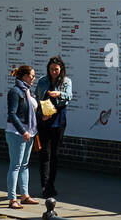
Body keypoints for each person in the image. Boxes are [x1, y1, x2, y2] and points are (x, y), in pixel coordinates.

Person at [35, 56, 72, 201]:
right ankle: (44, 186)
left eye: (56, 69)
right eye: (51, 69)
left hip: (59, 119)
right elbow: (37, 98)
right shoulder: (43, 80)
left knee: (55, 154)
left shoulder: (66, 81)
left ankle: (51, 185)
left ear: (61, 69)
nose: (53, 72)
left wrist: (59, 94)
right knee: (45, 153)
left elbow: (69, 96)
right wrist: (41, 114)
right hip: (44, 119)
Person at [6, 64, 39, 209]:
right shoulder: (15, 91)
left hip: (29, 132)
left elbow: (31, 111)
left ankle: (24, 195)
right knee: (16, 165)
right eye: (32, 75)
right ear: (24, 76)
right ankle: (12, 198)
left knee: (24, 165)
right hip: (16, 133)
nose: (33, 78)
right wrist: (22, 131)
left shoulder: (28, 92)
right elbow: (12, 114)